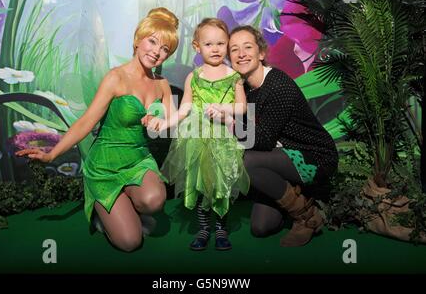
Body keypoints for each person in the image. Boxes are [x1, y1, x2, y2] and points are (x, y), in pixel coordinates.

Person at [16, 7, 179, 252]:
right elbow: (86, 122)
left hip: (138, 161)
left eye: (165, 49)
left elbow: (170, 119)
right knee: (131, 242)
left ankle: (127, 204)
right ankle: (104, 213)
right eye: (152, 41)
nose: (157, 51)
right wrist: (52, 153)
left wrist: (160, 118)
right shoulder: (116, 78)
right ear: (137, 40)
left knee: (154, 200)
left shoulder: (162, 85)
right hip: (105, 167)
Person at [226, 25, 338, 247]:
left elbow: (263, 140)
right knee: (261, 227)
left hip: (312, 155)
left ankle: (306, 217)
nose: (241, 54)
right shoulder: (244, 90)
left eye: (248, 47)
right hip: (278, 159)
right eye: (234, 49)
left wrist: (230, 123)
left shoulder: (277, 84)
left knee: (246, 160)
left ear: (261, 53)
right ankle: (299, 194)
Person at [144, 18, 249, 251]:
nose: (215, 49)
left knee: (220, 186)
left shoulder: (234, 78)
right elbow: (185, 108)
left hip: (222, 140)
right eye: (209, 44)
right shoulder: (194, 77)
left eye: (221, 44)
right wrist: (165, 123)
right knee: (201, 186)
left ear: (227, 44)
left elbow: (242, 107)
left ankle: (221, 230)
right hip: (195, 140)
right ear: (196, 47)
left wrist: (224, 108)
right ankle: (203, 229)